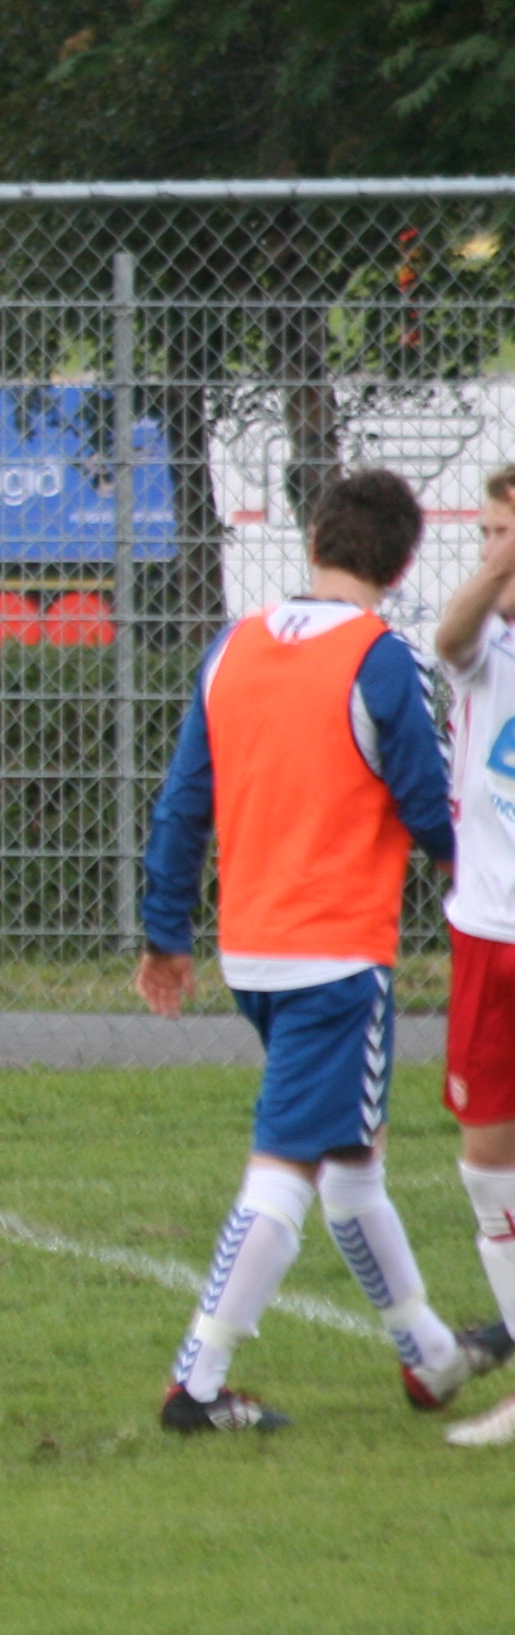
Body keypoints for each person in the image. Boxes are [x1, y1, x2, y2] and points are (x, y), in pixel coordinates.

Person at [137, 464, 512, 1432]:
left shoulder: (233, 646)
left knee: (352, 1157)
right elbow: (430, 804)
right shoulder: (381, 661)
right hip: (338, 958)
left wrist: (166, 932)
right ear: (402, 566)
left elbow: (182, 803)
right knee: (288, 1167)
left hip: (251, 951)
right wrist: (469, 869)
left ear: (313, 542)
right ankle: (198, 1383)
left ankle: (429, 1354)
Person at [426, 464, 515, 1447]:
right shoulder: (484, 647)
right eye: (487, 534)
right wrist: (501, 567)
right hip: (489, 938)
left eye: (505, 534)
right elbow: (447, 638)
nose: (493, 552)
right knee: (489, 1168)